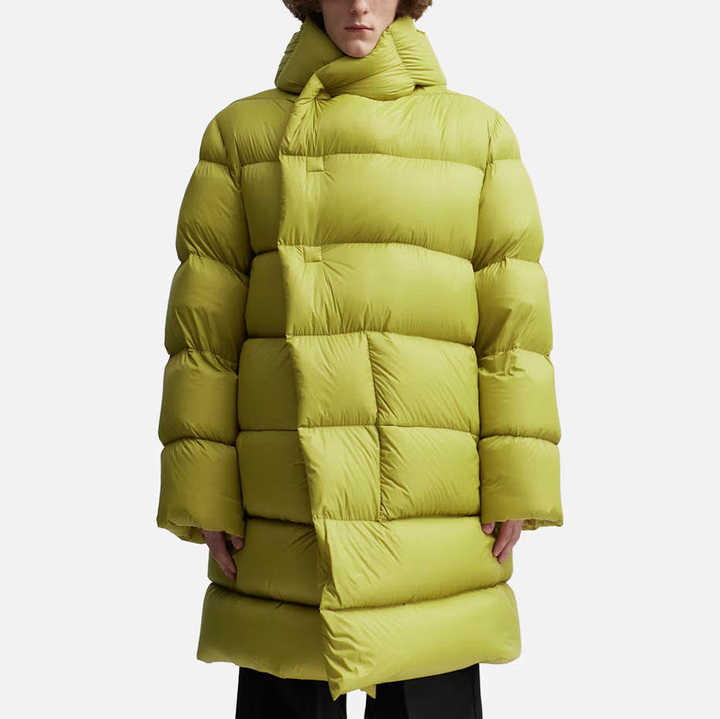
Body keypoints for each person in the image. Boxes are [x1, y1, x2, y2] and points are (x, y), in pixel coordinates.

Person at [156, 1, 564, 716]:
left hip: (435, 501)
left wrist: (518, 482)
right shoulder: (242, 136)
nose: (360, 6)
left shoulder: (476, 135)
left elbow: (514, 328)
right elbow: (204, 336)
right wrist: (202, 490)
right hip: (285, 502)